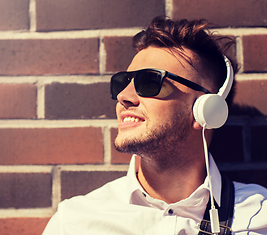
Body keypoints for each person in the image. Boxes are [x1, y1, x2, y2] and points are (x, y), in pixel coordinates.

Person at [43, 17, 267, 235]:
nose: (124, 96)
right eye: (124, 82)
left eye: (151, 81)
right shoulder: (74, 223)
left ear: (206, 109)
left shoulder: (260, 216)